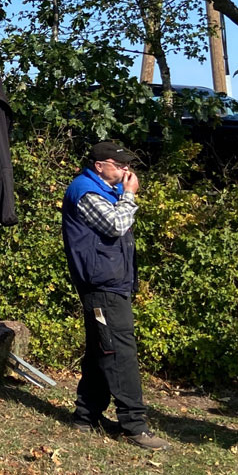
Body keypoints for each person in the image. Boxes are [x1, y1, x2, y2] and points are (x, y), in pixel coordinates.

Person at [62, 140, 170, 450]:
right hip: (102, 286)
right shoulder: (86, 191)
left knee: (101, 349)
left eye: (128, 165)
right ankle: (134, 425)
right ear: (99, 166)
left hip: (110, 283)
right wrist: (130, 195)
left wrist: (124, 195)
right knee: (120, 352)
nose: (126, 170)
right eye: (119, 165)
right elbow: (115, 225)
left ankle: (85, 417)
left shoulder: (103, 190)